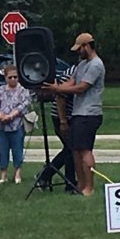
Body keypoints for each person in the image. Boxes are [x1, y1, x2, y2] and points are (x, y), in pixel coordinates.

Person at [43, 33, 104, 196]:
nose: (78, 52)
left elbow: (81, 88)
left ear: (87, 46)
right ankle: (80, 184)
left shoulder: (96, 65)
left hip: (89, 114)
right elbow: (72, 82)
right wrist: (55, 87)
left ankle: (89, 188)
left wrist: (58, 90)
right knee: (75, 150)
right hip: (78, 113)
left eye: (80, 49)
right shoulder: (82, 64)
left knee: (85, 150)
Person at [36, 57, 77, 194]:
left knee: (70, 149)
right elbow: (60, 97)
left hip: (71, 116)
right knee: (70, 149)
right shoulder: (71, 73)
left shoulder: (81, 72)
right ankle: (68, 183)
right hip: (61, 116)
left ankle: (47, 176)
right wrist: (63, 121)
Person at [0, 64, 31, 185]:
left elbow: (24, 106)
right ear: (5, 77)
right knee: (2, 150)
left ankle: (17, 172)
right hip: (1, 126)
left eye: (15, 77)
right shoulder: (1, 90)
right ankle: (3, 174)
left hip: (16, 125)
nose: (13, 79)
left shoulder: (23, 90)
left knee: (17, 149)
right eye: (10, 77)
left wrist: (10, 116)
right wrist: (0, 115)